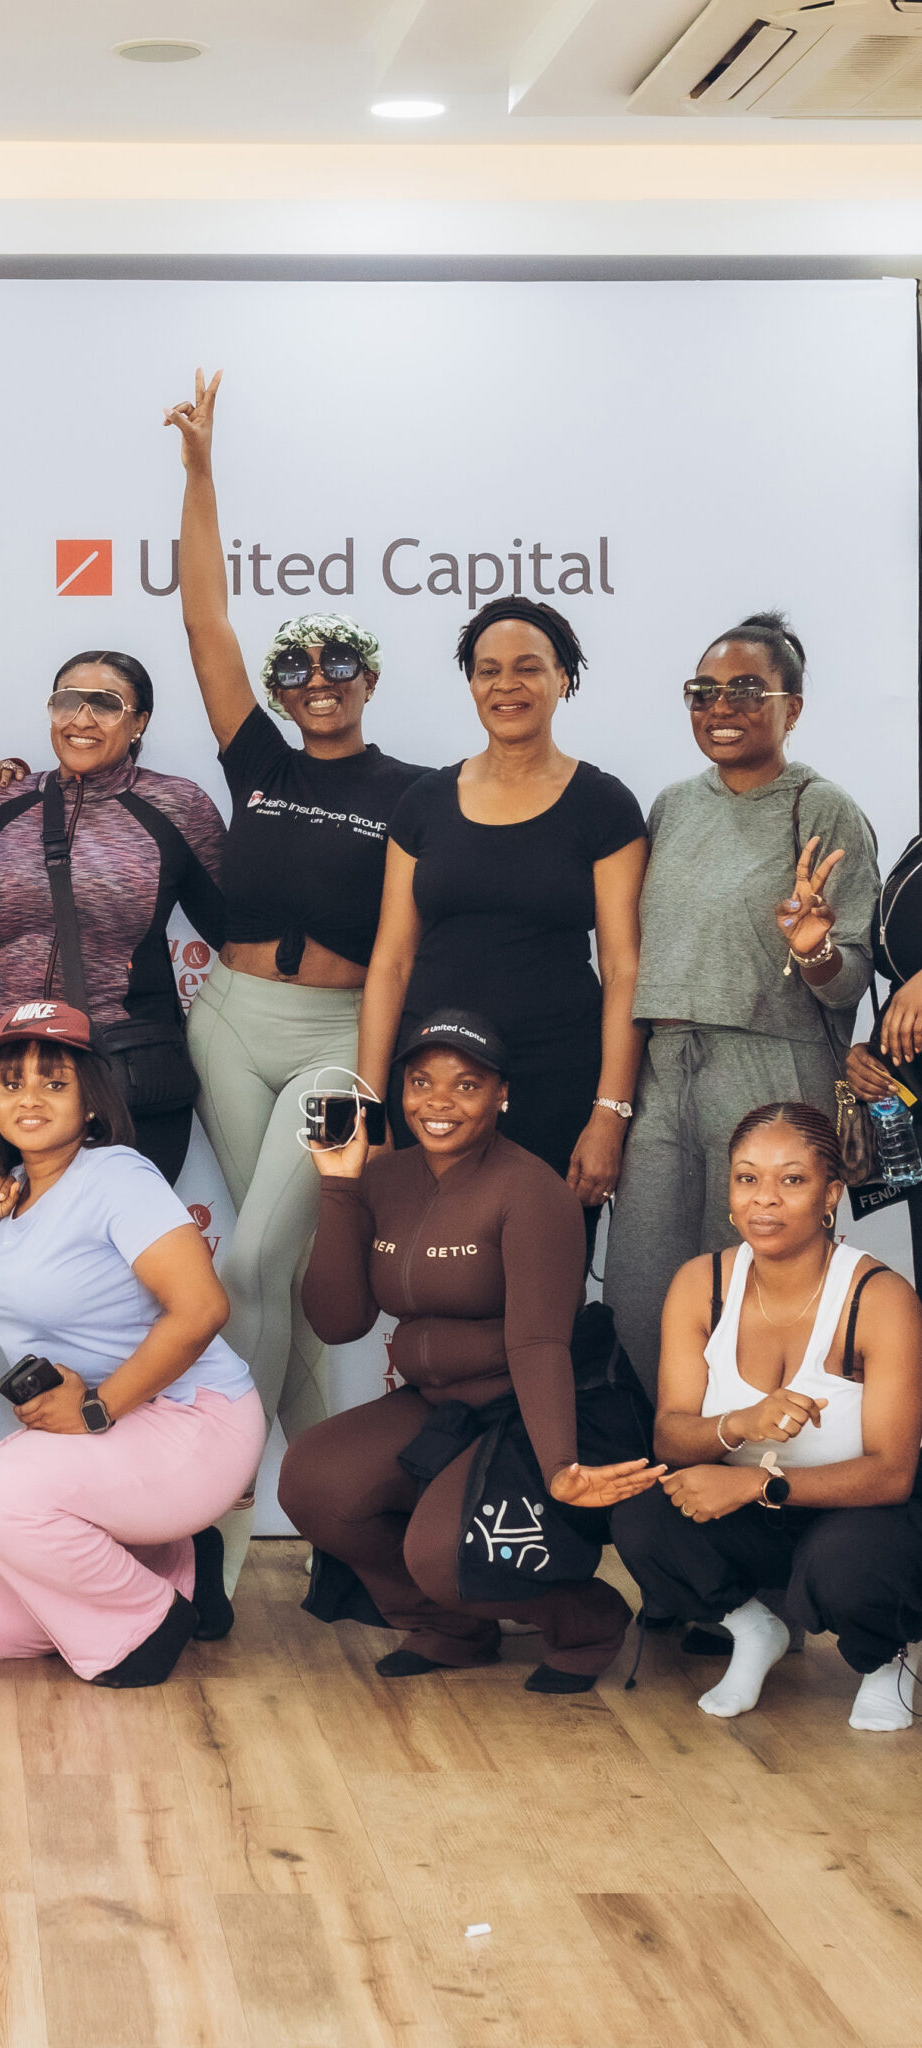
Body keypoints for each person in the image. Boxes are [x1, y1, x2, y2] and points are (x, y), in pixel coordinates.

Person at [156, 373, 429, 1593]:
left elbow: (416, 939)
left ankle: (209, 1531)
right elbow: (205, 620)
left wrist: (374, 1081)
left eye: (340, 667)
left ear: (369, 681)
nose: (317, 680)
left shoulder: (416, 791)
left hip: (333, 1033)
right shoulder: (258, 755)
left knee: (256, 1266)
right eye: (299, 668)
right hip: (227, 1021)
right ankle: (334, 1534)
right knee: (285, 1268)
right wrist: (201, 473)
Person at [280, 1012, 663, 1691]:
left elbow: (540, 1341)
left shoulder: (531, 1188)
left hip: (525, 1406)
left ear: (502, 1095)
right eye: (421, 1082)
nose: (439, 1103)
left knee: (441, 1555)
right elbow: (337, 1322)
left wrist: (559, 1465)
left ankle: (586, 1618)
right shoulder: (384, 1178)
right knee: (313, 1482)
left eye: (466, 1085)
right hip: (438, 1404)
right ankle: (453, 1626)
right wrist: (338, 1186)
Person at [0, 999, 264, 1687]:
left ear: (91, 1101)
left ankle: (150, 1623)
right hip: (114, 1435)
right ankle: (179, 1560)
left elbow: (203, 1308)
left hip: (190, 1418)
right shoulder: (14, 1191)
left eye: (54, 1082)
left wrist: (98, 1408)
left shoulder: (118, 1177)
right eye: (12, 1081)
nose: (28, 1097)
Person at [606, 616, 878, 1383]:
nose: (720, 707)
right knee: (643, 1288)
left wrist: (812, 948)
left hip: (772, 1068)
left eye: (747, 691)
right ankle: (663, 1458)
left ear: (792, 707)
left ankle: (762, 1463)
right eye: (703, 692)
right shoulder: (671, 806)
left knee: (756, 1280)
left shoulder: (823, 809)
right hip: (666, 1064)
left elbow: (850, 979)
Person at [613, 1102, 920, 1731]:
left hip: (865, 1516)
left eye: (792, 1179)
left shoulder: (881, 1298)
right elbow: (670, 1434)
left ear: (831, 1193)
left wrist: (758, 1481)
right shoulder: (702, 1283)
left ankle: (887, 1658)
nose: (765, 1200)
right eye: (747, 1178)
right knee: (643, 1514)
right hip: (757, 1516)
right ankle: (754, 1631)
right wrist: (742, 1425)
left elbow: (894, 1475)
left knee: (846, 1565)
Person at [358, 599, 648, 1236]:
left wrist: (609, 1112)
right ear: (471, 685)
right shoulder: (424, 802)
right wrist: (370, 1101)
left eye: (528, 668)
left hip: (556, 1081)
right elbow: (391, 961)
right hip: (430, 1084)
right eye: (488, 670)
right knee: (434, 1279)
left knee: (547, 1291)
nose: (506, 685)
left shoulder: (604, 804)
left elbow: (625, 969)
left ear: (562, 677)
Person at [0, 650, 225, 1181]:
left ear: (139, 721)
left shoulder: (179, 807)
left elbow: (238, 934)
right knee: (9, 1245)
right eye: (67, 703)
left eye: (104, 704)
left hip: (125, 1075)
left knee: (126, 1257)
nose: (81, 720)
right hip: (5, 1075)